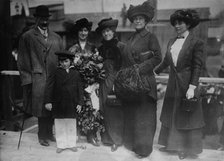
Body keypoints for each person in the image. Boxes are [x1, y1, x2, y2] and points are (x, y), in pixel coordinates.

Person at [154, 9, 205, 159]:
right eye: (175, 23)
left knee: (184, 116)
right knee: (171, 114)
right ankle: (171, 145)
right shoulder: (171, 41)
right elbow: (166, 62)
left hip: (186, 85)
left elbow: (197, 66)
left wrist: (192, 86)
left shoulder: (196, 42)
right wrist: (154, 72)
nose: (177, 26)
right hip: (172, 84)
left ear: (188, 24)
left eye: (180, 23)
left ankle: (184, 148)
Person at [17, 5, 63, 146]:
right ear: (36, 19)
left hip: (53, 79)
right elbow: (22, 61)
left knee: (52, 107)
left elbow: (62, 60)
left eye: (46, 19)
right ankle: (42, 135)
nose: (44, 21)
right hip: (38, 80)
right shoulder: (27, 37)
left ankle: (49, 133)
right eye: (41, 18)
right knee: (41, 108)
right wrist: (28, 81)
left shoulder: (56, 38)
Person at [121, 1, 162, 158]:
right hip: (133, 83)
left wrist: (140, 68)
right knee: (134, 115)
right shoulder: (131, 38)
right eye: (135, 19)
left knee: (144, 116)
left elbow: (158, 57)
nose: (137, 21)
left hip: (145, 83)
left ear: (145, 21)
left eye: (140, 18)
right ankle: (134, 146)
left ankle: (144, 150)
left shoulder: (150, 37)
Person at [68, 18, 100, 146]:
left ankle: (91, 135)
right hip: (76, 84)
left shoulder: (93, 48)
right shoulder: (71, 48)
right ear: (77, 32)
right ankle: (75, 133)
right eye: (81, 30)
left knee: (91, 107)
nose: (83, 33)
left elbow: (98, 65)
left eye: (85, 30)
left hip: (89, 84)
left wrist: (94, 80)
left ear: (88, 32)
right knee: (76, 107)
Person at [44, 50, 83, 153]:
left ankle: (71, 144)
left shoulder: (76, 73)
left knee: (71, 123)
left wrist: (80, 103)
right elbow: (49, 87)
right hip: (59, 103)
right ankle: (61, 144)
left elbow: (80, 89)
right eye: (61, 62)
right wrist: (48, 101)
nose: (63, 64)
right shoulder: (56, 73)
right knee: (59, 123)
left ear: (70, 61)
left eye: (66, 61)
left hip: (72, 103)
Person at [95, 18, 124, 152]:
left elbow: (122, 67)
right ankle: (106, 138)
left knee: (115, 110)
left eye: (109, 31)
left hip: (115, 81)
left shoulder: (120, 46)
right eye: (104, 31)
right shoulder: (100, 48)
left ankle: (116, 139)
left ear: (113, 31)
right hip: (102, 82)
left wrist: (116, 83)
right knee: (104, 109)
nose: (106, 34)